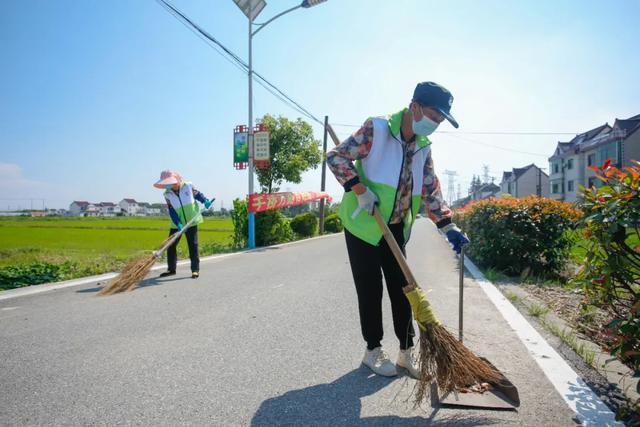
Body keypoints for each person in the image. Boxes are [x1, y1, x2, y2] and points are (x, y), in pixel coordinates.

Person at [326, 82, 469, 378]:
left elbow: (430, 188)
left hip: (395, 226)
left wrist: (447, 224)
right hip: (363, 223)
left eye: (441, 121)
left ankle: (406, 352)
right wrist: (359, 189)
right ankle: (373, 351)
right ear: (415, 106)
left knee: (403, 289)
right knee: (370, 288)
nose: (436, 124)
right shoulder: (376, 130)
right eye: (434, 116)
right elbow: (336, 157)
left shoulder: (422, 147)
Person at [153, 170, 213, 279]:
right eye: (168, 184)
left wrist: (205, 201)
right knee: (170, 245)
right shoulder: (167, 194)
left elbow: (198, 195)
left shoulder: (188, 186)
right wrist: (178, 223)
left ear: (178, 179)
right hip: (177, 224)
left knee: (193, 245)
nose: (171, 186)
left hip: (191, 221)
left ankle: (195, 270)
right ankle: (171, 269)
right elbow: (171, 210)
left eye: (172, 183)